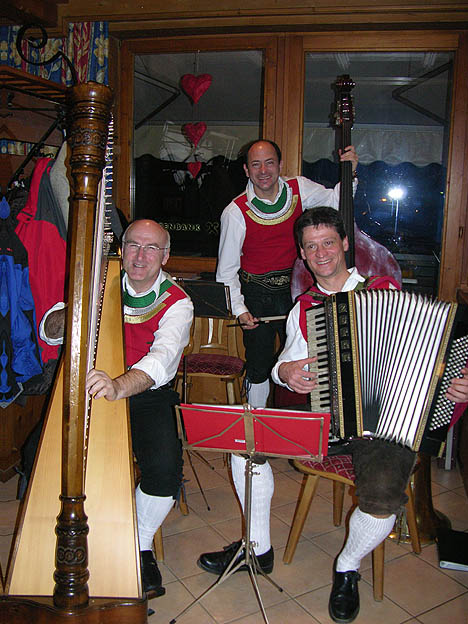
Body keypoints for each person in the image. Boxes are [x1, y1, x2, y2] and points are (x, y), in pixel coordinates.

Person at [271, 207, 468, 623]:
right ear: (302, 254)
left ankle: (347, 566)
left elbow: (437, 353)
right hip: (328, 421)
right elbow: (284, 363)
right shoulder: (304, 308)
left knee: (381, 498)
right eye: (311, 246)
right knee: (244, 446)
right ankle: (256, 548)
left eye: (328, 242)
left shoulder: (386, 292)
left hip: (387, 428)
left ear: (345, 244)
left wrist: (458, 381)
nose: (321, 253)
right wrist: (286, 372)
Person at [198, 141, 357, 578]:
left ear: (280, 165)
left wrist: (349, 172)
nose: (264, 170)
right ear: (246, 170)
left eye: (270, 162)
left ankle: (327, 421)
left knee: (312, 351)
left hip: (296, 283)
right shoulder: (235, 212)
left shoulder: (301, 188)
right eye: (256, 164)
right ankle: (260, 429)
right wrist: (239, 310)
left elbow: (336, 200)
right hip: (255, 294)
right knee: (260, 368)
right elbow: (226, 271)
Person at [41, 219, 193, 599]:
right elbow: (48, 332)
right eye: (133, 246)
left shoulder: (178, 302)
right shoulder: (101, 282)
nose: (140, 256)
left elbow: (161, 361)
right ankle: (54, 537)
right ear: (121, 249)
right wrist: (80, 304)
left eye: (151, 248)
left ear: (165, 256)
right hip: (91, 385)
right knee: (36, 458)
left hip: (145, 392)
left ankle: (139, 544)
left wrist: (118, 385)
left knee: (164, 470)